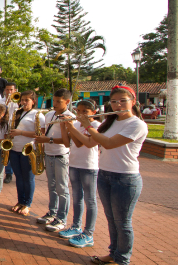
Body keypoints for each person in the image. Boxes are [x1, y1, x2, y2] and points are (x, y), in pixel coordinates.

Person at [71, 86, 147, 264]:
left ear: (133, 102)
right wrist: (71, 126)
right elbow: (90, 142)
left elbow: (110, 143)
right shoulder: (110, 122)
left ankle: (122, 259)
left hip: (125, 178)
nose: (118, 104)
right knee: (111, 220)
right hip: (105, 175)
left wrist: (88, 125)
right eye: (114, 101)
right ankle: (113, 253)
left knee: (123, 222)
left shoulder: (137, 124)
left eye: (122, 101)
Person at [58, 99, 101, 247]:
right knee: (77, 197)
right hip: (74, 164)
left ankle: (88, 233)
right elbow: (73, 143)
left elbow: (85, 142)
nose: (81, 114)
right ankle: (76, 226)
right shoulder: (75, 124)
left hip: (89, 166)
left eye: (85, 112)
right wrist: (65, 127)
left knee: (90, 200)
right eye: (78, 111)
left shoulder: (95, 125)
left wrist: (72, 126)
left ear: (93, 113)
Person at [35, 88, 74, 232]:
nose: (55, 104)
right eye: (54, 100)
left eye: (59, 101)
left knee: (62, 188)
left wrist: (47, 140)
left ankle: (62, 218)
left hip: (61, 156)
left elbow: (67, 141)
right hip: (48, 154)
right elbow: (44, 132)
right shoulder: (50, 114)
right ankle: (52, 213)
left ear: (67, 102)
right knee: (51, 186)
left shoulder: (69, 116)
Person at [8, 90, 45, 216]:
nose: (23, 103)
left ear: (33, 101)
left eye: (26, 100)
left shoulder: (37, 115)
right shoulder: (16, 113)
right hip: (15, 149)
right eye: (22, 100)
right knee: (18, 177)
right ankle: (20, 201)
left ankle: (27, 204)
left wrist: (20, 133)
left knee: (28, 178)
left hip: (28, 150)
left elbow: (40, 134)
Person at [1, 82, 18, 184]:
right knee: (6, 149)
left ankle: (10, 173)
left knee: (12, 150)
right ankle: (7, 172)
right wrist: (6, 105)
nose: (9, 92)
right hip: (4, 127)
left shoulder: (18, 102)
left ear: (15, 91)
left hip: (14, 128)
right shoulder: (1, 101)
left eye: (11, 90)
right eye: (7, 90)